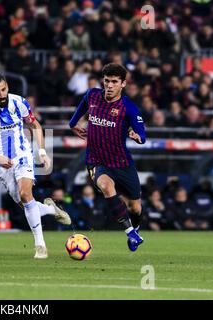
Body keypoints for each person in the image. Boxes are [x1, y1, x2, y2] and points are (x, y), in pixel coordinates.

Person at [0, 71, 71, 259]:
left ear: (7, 86)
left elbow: (36, 126)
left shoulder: (18, 102)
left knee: (26, 194)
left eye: (3, 90)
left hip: (22, 154)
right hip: (0, 162)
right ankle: (51, 209)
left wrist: (42, 152)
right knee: (25, 203)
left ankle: (40, 246)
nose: (1, 95)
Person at [69, 63, 146, 252]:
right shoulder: (92, 95)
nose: (109, 86)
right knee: (106, 186)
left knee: (136, 208)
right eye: (106, 81)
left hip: (122, 162)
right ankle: (130, 231)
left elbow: (142, 133)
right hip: (96, 161)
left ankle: (135, 228)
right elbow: (80, 109)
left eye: (114, 82)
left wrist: (138, 138)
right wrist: (72, 124)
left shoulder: (129, 108)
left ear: (123, 84)